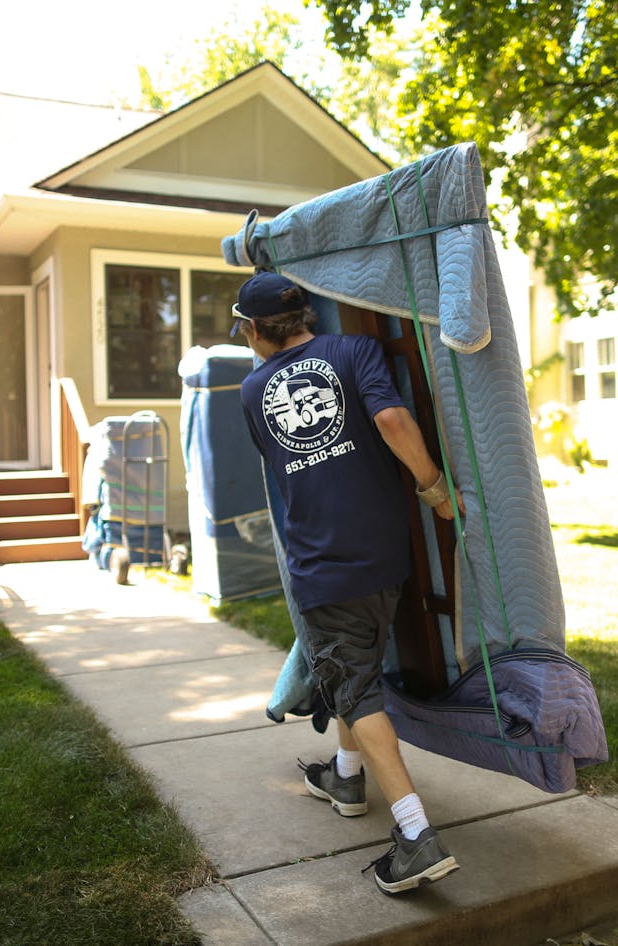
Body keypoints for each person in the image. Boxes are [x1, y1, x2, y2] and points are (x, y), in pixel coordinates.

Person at [232, 270, 463, 894]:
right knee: (350, 668)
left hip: (324, 566)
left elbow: (302, 458)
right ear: (306, 315)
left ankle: (415, 835)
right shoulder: (356, 350)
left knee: (355, 686)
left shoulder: (254, 391)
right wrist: (433, 486)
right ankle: (345, 775)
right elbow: (390, 421)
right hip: (386, 553)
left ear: (255, 331)